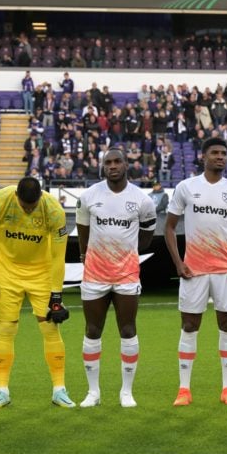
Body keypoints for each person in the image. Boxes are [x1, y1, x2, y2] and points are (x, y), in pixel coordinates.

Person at [165, 137, 227, 407]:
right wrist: (179, 263)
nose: (220, 157)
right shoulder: (186, 187)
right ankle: (183, 389)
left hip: (226, 270)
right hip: (194, 270)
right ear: (203, 157)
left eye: (224, 153)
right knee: (190, 325)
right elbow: (169, 228)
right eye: (214, 153)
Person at [0, 177, 72, 409]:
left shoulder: (54, 210)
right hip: (7, 272)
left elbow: (59, 255)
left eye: (33, 206)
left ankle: (59, 389)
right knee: (6, 329)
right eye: (24, 205)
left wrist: (57, 297)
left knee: (50, 328)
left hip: (41, 273)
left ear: (41, 196)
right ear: (16, 197)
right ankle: (2, 390)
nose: (29, 209)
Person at [75, 149, 157, 408]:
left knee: (128, 329)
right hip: (95, 274)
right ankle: (93, 392)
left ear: (126, 165)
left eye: (117, 161)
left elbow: (146, 237)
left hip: (126, 274)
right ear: (102, 166)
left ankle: (126, 392)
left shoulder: (142, 200)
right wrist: (88, 257)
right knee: (92, 330)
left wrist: (126, 254)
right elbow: (83, 233)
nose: (112, 166)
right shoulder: (89, 197)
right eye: (108, 162)